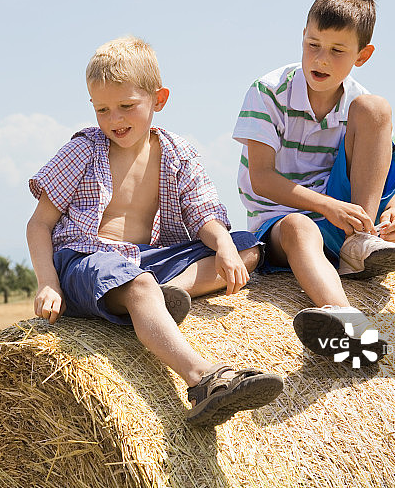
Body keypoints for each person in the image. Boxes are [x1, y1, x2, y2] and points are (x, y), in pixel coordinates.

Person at [27, 36, 283, 425]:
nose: (115, 120)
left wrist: (226, 248)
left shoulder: (178, 152)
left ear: (159, 99)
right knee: (139, 283)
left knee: (248, 247)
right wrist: (48, 282)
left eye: (127, 106)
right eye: (103, 110)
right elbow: (39, 223)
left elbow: (204, 215)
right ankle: (203, 379)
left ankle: (169, 293)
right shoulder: (84, 150)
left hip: (149, 259)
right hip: (85, 260)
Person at [232, 0, 395, 365]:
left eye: (337, 51)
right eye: (313, 45)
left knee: (376, 109)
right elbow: (260, 178)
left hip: (344, 218)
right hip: (279, 221)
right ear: (302, 38)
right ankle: (350, 327)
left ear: (363, 55)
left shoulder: (357, 98)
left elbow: (378, 167)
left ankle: (362, 242)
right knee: (300, 227)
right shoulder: (268, 92)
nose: (321, 59)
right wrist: (327, 206)